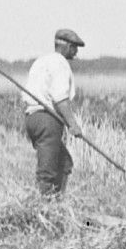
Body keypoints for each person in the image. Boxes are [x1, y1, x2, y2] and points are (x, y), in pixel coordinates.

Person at [24, 27, 87, 196]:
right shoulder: (60, 64)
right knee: (48, 171)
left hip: (32, 118)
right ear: (65, 46)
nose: (76, 52)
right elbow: (60, 99)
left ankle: (57, 203)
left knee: (64, 163)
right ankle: (44, 208)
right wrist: (73, 125)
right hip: (47, 120)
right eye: (74, 47)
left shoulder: (41, 62)